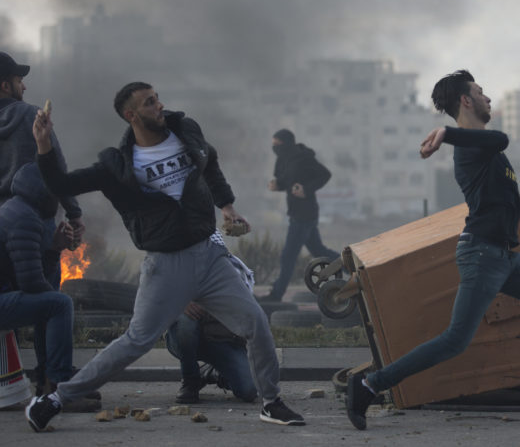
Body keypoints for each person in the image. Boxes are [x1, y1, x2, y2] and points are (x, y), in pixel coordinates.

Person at [25, 82, 305, 432]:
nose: (160, 106)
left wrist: (228, 207)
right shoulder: (117, 167)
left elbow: (210, 162)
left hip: (210, 257)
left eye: (157, 99)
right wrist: (44, 145)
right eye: (150, 102)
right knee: (135, 342)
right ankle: (55, 400)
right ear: (131, 115)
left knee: (256, 323)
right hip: (166, 265)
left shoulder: (186, 133)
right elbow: (62, 185)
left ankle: (272, 402)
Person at [346, 70, 520, 430]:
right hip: (481, 255)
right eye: (480, 92)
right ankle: (368, 385)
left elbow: (502, 204)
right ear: (465, 100)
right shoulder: (472, 146)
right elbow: (502, 138)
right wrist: (445, 134)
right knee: (455, 341)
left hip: (504, 257)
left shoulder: (482, 147)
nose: (488, 98)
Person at [0, 52, 85, 396]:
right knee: (47, 301)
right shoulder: (30, 116)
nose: (25, 85)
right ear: (5, 85)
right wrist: (74, 213)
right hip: (34, 220)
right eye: (19, 80)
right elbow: (55, 167)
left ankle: (12, 379)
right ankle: (52, 381)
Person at [0, 163, 77, 398]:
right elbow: (32, 284)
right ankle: (59, 384)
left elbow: (32, 279)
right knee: (59, 304)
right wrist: (51, 301)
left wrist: (54, 248)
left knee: (51, 300)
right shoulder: (24, 219)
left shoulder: (17, 210)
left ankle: (48, 378)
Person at [166, 251, 258, 404]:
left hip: (224, 342)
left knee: (249, 390)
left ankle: (214, 372)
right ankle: (190, 381)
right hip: (187, 339)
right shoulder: (182, 268)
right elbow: (157, 298)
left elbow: (247, 319)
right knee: (185, 322)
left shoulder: (236, 272)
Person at [260, 128, 335, 302]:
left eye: (278, 144)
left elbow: (325, 174)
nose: (275, 147)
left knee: (288, 255)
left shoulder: (303, 157)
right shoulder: (282, 159)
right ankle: (353, 267)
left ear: (287, 143)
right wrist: (277, 185)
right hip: (295, 212)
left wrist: (306, 189)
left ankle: (276, 294)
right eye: (273, 144)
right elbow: (285, 180)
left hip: (305, 213)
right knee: (319, 250)